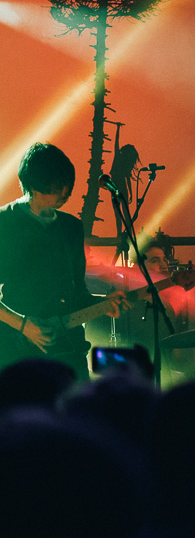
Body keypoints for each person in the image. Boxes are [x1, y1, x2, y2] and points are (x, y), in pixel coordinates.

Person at [0, 143, 128, 379]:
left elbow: (77, 293)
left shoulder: (71, 227)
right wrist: (23, 325)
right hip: (17, 353)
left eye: (67, 184)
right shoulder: (5, 223)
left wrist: (103, 303)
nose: (65, 191)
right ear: (35, 183)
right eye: (57, 185)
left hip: (69, 352)